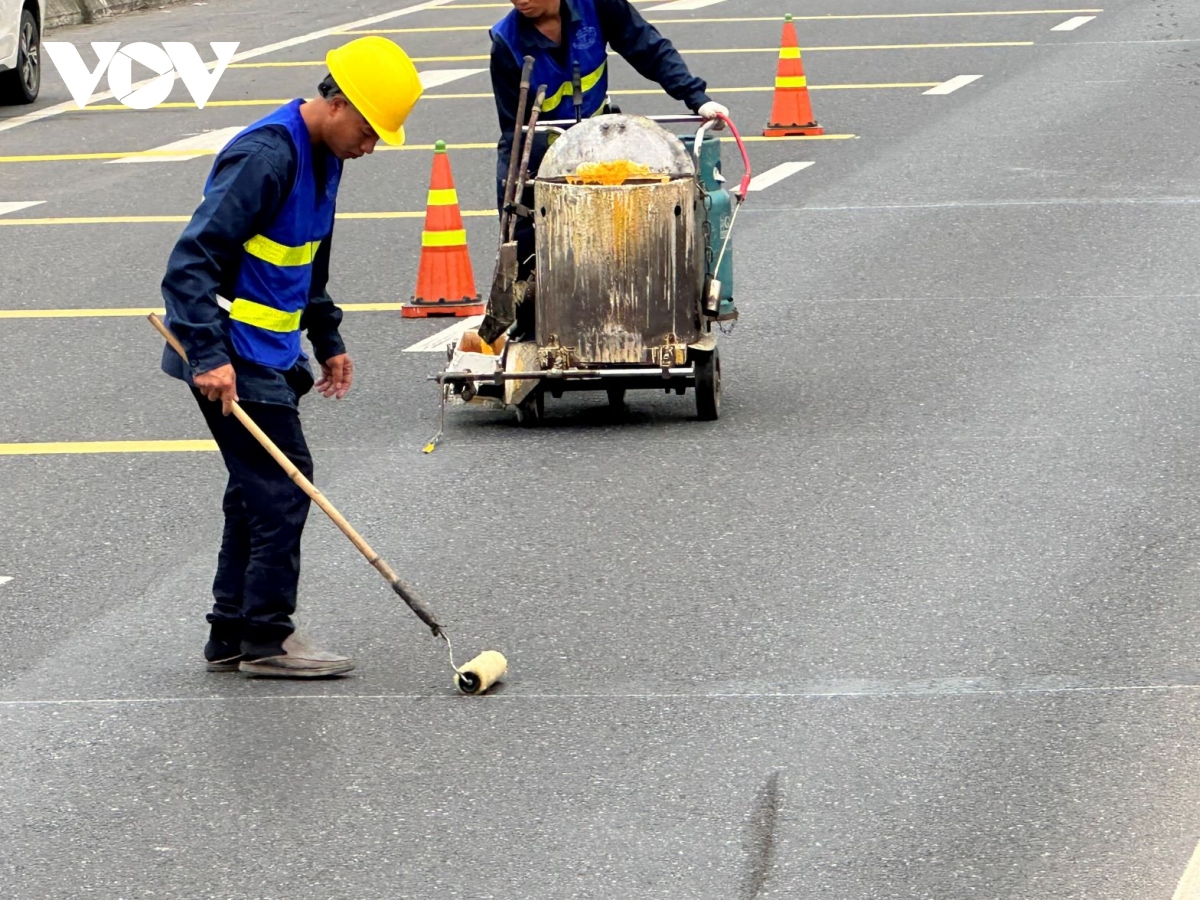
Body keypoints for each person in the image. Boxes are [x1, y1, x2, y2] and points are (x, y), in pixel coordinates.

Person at [159, 36, 423, 678]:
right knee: (282, 485)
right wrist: (207, 353)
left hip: (270, 351)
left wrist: (327, 338)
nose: (371, 146)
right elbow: (189, 262)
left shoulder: (326, 157)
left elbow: (305, 260)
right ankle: (267, 640)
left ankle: (231, 632)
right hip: (229, 352)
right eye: (368, 130)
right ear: (337, 105)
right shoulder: (265, 157)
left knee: (254, 492)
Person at [489, 0, 730, 332]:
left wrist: (697, 99)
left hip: (599, 142)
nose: (521, 1)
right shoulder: (506, 42)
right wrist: (532, 180)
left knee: (630, 223)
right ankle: (531, 321)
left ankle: (636, 307)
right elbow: (514, 127)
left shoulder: (597, 6)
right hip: (541, 148)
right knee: (523, 224)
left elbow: (649, 49)